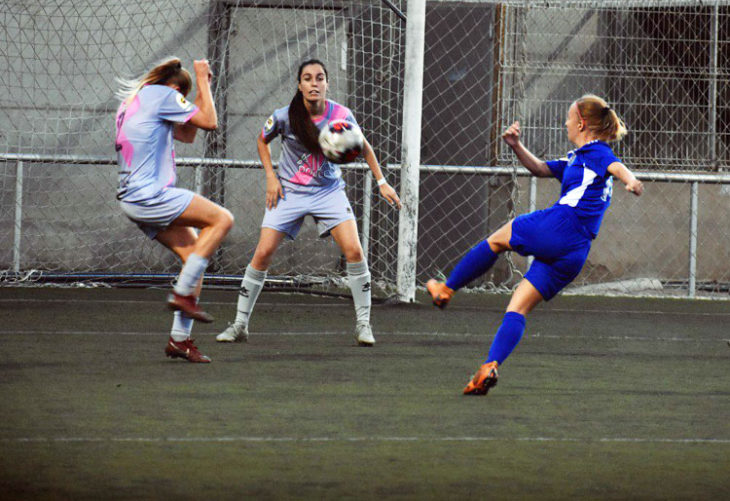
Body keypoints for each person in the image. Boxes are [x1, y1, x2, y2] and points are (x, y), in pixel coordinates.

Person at [427, 94, 643, 395]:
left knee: (496, 240)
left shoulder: (597, 153)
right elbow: (541, 169)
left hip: (562, 224)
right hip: (576, 251)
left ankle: (446, 289)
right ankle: (489, 367)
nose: (565, 123)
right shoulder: (577, 158)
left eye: (569, 118)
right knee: (518, 305)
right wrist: (516, 146)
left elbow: (618, 168)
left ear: (581, 122)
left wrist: (631, 181)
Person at [216, 59, 401, 347]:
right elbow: (262, 140)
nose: (314, 83)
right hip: (289, 192)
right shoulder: (285, 116)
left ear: (327, 83)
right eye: (307, 78)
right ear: (299, 85)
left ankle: (364, 324)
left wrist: (382, 182)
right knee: (263, 253)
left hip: (328, 192)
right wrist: (271, 177)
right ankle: (240, 324)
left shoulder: (341, 114)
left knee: (354, 250)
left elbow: (364, 147)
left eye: (319, 78)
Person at [115, 57, 234, 363]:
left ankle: (179, 340)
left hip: (132, 199)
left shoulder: (136, 101)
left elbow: (189, 133)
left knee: (194, 254)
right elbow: (210, 123)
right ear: (174, 88)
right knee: (222, 219)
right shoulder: (165, 96)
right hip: (151, 196)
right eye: (182, 93)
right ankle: (181, 294)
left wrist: (194, 97)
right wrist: (204, 81)